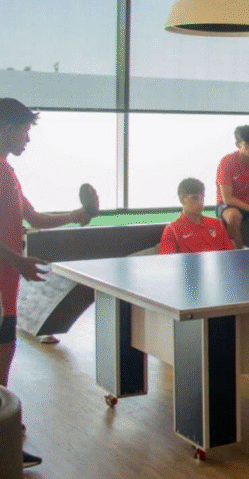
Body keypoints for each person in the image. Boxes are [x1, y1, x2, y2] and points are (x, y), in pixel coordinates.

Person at [0, 97, 97, 468]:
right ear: (8, 129)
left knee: (5, 358)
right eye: (25, 131)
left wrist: (77, 214)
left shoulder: (8, 172)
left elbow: (35, 219)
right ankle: (5, 443)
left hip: (8, 285)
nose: (28, 139)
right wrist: (17, 260)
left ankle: (6, 433)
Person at [158, 178, 234, 254]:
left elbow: (230, 255)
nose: (200, 203)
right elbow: (167, 260)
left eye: (202, 197)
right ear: (182, 200)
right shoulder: (172, 230)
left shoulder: (217, 224)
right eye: (195, 198)